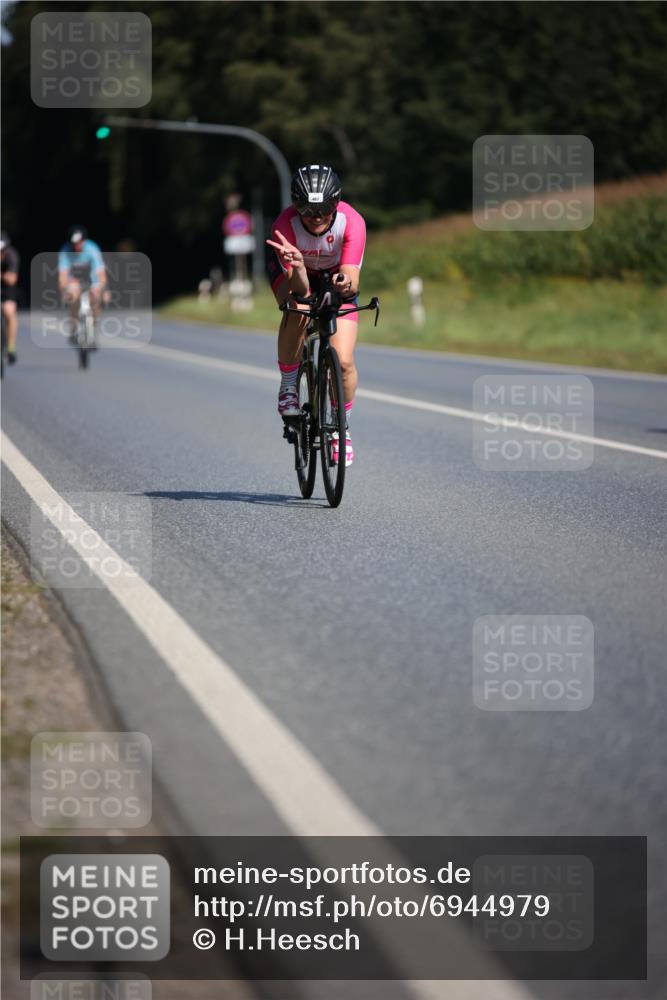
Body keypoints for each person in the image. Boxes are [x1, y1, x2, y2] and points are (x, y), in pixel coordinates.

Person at [266, 165, 366, 467]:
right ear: (296, 207)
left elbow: (352, 277)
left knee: (344, 361)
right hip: (296, 275)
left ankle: (341, 429)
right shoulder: (284, 227)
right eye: (308, 212)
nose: (317, 218)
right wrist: (296, 266)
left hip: (336, 274)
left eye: (324, 211)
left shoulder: (352, 222)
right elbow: (300, 289)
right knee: (298, 305)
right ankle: (288, 386)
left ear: (335, 204)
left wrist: (343, 283)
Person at [58, 226, 106, 342]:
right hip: (73, 281)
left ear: (84, 241)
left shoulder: (92, 249)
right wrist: (64, 289)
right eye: (73, 244)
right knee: (73, 297)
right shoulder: (65, 250)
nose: (76, 246)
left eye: (79, 243)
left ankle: (93, 330)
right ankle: (74, 327)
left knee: (95, 299)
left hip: (92, 280)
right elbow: (62, 275)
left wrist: (100, 288)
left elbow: (100, 273)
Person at [1, 231, 20, 364]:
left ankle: (11, 347)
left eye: (2, 251)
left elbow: (12, 279)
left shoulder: (12, 256)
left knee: (9, 311)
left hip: (6, 289)